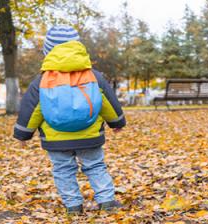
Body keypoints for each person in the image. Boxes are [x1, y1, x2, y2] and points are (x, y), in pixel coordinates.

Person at [13, 25, 126, 214]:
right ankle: (107, 201)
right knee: (96, 165)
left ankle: (73, 205)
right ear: (78, 48)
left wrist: (23, 135)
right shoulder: (94, 76)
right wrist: (117, 122)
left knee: (63, 169)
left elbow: (31, 110)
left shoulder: (41, 81)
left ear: (48, 52)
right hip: (89, 135)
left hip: (56, 138)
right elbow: (108, 102)